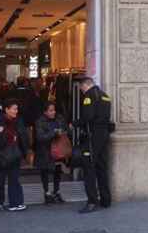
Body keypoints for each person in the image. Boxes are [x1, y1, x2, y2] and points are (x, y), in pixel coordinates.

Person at [0, 99, 29, 212]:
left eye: (17, 109)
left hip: (14, 154)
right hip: (0, 155)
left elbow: (24, 137)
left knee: (14, 179)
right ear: (6, 109)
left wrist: (23, 151)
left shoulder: (18, 121)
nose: (16, 111)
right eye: (14, 109)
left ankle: (16, 203)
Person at [75, 77, 112, 214]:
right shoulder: (105, 96)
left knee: (89, 168)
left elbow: (87, 117)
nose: (80, 90)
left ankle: (92, 201)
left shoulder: (89, 97)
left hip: (92, 136)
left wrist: (75, 123)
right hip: (104, 135)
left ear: (85, 85)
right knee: (101, 167)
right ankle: (106, 200)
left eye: (81, 87)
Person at [35, 102, 68, 204]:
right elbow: (40, 137)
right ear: (45, 112)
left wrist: (64, 131)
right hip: (45, 150)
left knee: (57, 171)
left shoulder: (59, 118)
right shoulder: (40, 121)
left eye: (54, 110)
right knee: (45, 171)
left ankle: (56, 191)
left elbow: (65, 129)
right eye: (50, 110)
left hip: (58, 149)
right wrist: (53, 133)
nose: (53, 112)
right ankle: (47, 193)